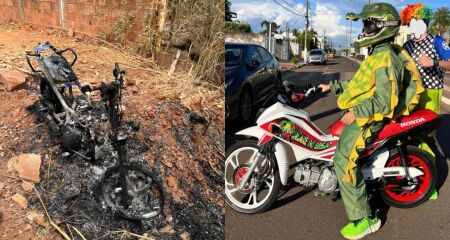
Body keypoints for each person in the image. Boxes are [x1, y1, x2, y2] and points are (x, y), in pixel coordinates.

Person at [319, 3, 423, 239]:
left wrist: (356, 113)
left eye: (369, 23)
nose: (365, 29)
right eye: (365, 24)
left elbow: (384, 102)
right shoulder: (378, 53)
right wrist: (333, 86)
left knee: (343, 160)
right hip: (364, 110)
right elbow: (362, 86)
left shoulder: (386, 58)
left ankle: (365, 219)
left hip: (370, 117)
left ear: (383, 26)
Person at [400, 3, 450, 200]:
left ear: (425, 23)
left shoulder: (437, 41)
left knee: (427, 137)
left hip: (430, 93)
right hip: (412, 94)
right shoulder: (407, 45)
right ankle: (411, 175)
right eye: (412, 23)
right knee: (409, 136)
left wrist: (434, 62)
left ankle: (428, 184)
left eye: (419, 22)